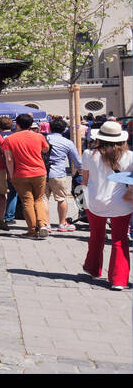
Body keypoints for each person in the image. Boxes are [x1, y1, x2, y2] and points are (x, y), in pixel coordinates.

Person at [80, 121, 132, 290]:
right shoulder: (130, 156)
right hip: (121, 203)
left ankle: (93, 268)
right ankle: (119, 279)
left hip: (95, 201)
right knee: (119, 239)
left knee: (96, 236)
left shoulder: (89, 154)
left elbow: (85, 180)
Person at [2, 113, 50, 239]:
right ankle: (43, 224)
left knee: (27, 201)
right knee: (39, 199)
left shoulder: (9, 139)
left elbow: (9, 159)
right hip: (39, 171)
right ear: (31, 124)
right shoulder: (39, 136)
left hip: (20, 174)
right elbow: (46, 149)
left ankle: (32, 230)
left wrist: (11, 175)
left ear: (17, 125)